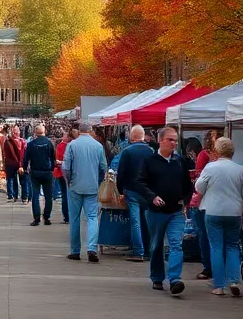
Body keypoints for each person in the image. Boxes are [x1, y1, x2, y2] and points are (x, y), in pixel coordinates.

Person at [131, 127, 193, 296]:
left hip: (176, 211)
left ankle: (175, 279)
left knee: (176, 244)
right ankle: (157, 277)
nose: (174, 143)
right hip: (156, 211)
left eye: (175, 140)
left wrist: (185, 201)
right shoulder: (149, 161)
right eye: (170, 140)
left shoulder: (179, 161)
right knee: (156, 245)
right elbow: (140, 182)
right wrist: (152, 197)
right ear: (160, 141)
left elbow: (188, 186)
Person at [194, 137, 243, 297]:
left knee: (216, 247)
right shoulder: (240, 170)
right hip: (234, 212)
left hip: (213, 211)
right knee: (232, 246)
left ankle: (219, 286)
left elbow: (199, 187)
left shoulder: (210, 168)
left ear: (217, 151)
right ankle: (234, 280)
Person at [62, 122, 107, 263]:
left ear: (79, 131)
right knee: (92, 218)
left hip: (75, 185)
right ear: (91, 130)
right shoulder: (98, 146)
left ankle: (75, 251)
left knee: (74, 218)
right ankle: (91, 247)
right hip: (92, 186)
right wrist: (98, 181)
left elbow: (66, 167)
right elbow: (103, 166)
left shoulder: (72, 145)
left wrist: (69, 181)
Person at [115, 125, 155, 262]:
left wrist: (120, 191)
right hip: (147, 192)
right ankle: (149, 250)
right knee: (147, 221)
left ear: (131, 137)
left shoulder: (127, 151)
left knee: (135, 221)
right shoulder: (151, 151)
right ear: (143, 137)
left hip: (131, 190)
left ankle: (138, 251)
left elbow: (121, 173)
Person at [190, 131, 220, 282]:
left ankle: (215, 267)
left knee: (212, 236)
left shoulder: (222, 158)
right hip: (203, 201)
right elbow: (199, 180)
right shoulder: (204, 155)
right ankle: (208, 267)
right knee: (205, 235)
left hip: (216, 202)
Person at [22, 123, 57, 226]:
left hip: (35, 171)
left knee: (35, 195)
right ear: (44, 132)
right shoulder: (49, 143)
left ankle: (36, 218)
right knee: (48, 196)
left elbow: (26, 158)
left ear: (35, 133)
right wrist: (52, 168)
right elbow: (53, 157)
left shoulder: (31, 144)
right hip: (47, 171)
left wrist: (24, 168)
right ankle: (46, 217)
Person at [55, 128, 79, 223]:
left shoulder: (61, 146)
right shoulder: (74, 146)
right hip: (72, 173)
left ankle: (66, 216)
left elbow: (57, 159)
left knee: (64, 194)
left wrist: (60, 162)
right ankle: (71, 214)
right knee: (71, 195)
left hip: (61, 172)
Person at [3, 126, 27, 203]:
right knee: (16, 180)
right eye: (14, 131)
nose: (15, 132)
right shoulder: (10, 141)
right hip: (15, 163)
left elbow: (24, 154)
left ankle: (18, 196)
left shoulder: (21, 141)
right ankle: (18, 196)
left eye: (16, 131)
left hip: (15, 163)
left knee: (18, 180)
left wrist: (21, 165)